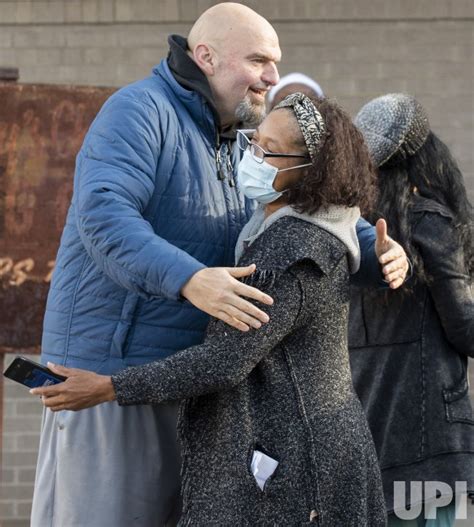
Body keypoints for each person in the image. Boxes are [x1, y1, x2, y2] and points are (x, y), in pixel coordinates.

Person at [31, 3, 408, 526]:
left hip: (190, 384)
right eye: (259, 60)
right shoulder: (138, 111)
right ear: (206, 56)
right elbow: (104, 217)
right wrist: (188, 279)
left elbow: (307, 209)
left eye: (276, 62)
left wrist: (377, 251)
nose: (273, 77)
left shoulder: (236, 137)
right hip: (112, 382)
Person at [348, 94, 474, 525]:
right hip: (432, 447)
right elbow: (465, 329)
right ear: (430, 158)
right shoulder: (429, 221)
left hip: (367, 443)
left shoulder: (353, 236)